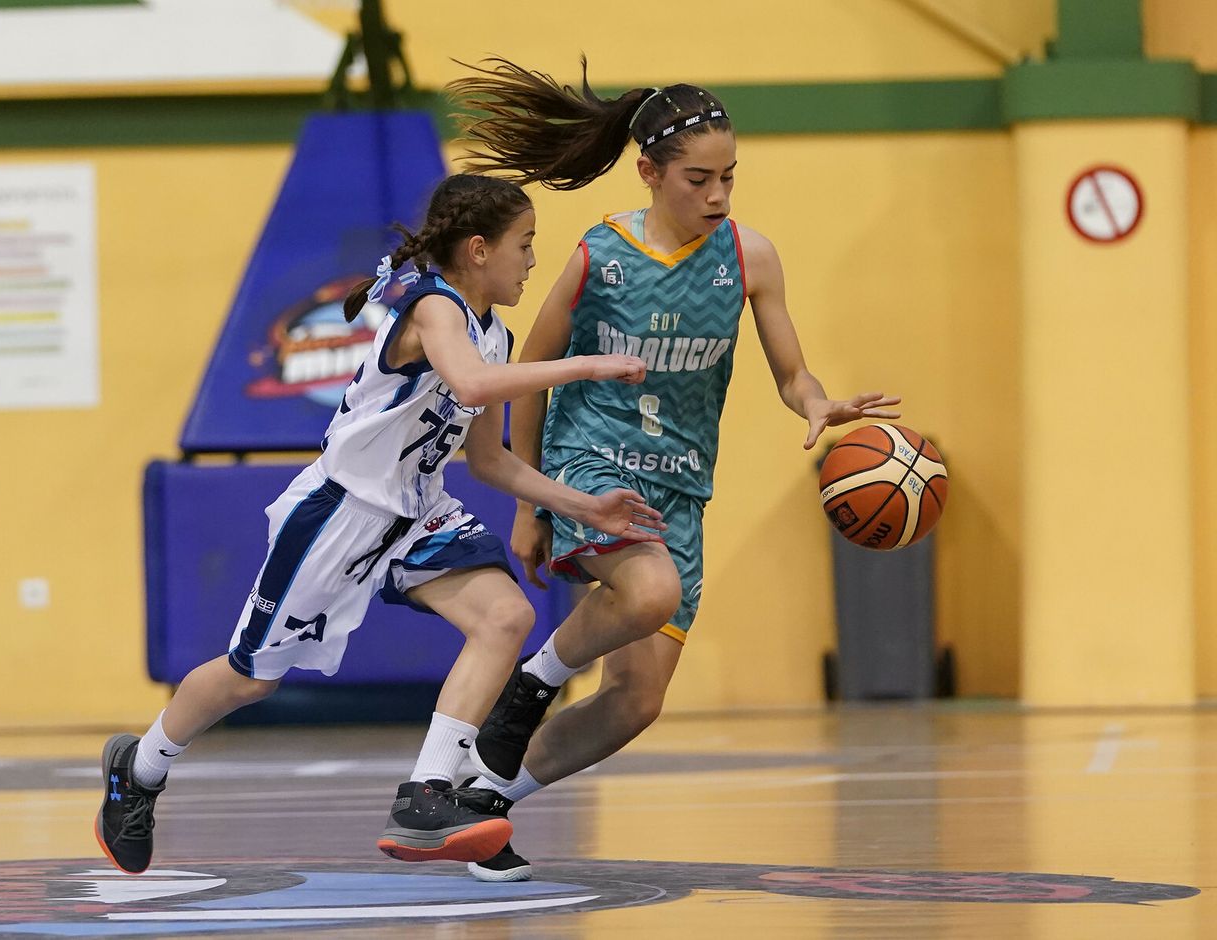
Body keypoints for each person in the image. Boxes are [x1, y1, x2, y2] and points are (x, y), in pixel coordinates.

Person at [93, 172, 665, 875]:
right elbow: (473, 386)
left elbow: (489, 461)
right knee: (252, 677)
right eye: (525, 244)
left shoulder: (494, 332)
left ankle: (427, 792)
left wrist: (580, 506)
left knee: (506, 618)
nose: (532, 261)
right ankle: (139, 767)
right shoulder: (432, 306)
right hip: (343, 511)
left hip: (419, 510)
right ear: (480, 250)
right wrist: (585, 365)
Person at [444, 59, 903, 882]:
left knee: (637, 701)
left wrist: (816, 401)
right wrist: (531, 501)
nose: (719, 195)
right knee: (647, 593)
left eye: (730, 177)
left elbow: (790, 372)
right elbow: (532, 365)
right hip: (594, 465)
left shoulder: (750, 258)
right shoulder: (600, 256)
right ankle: (526, 693)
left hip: (680, 490)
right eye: (700, 179)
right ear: (651, 173)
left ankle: (482, 800)